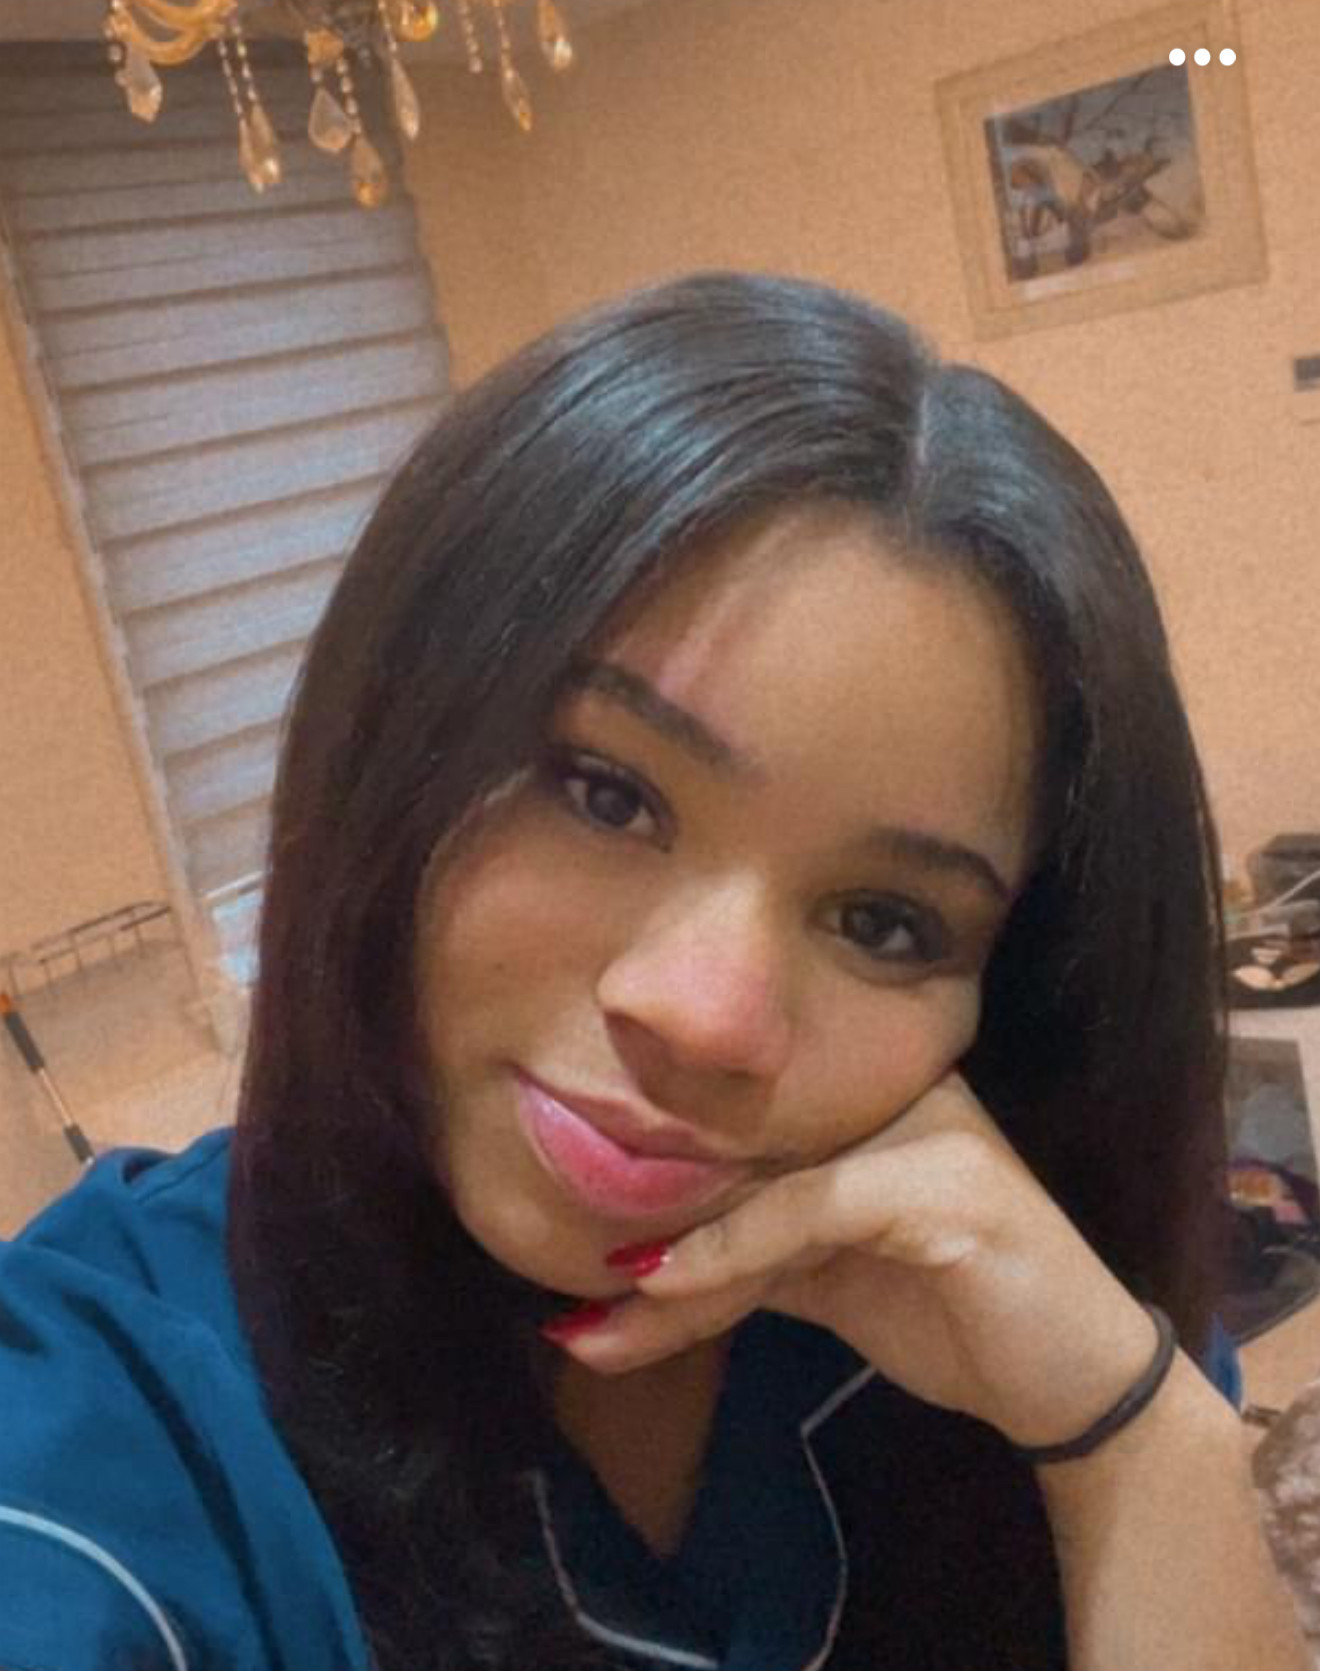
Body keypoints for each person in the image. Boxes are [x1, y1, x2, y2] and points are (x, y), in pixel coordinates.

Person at [0, 272, 1306, 1671]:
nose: (706, 1017)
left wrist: (1132, 1437)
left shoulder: (1013, 1294)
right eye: (605, 794)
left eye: (884, 923)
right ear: (396, 743)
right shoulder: (111, 1411)